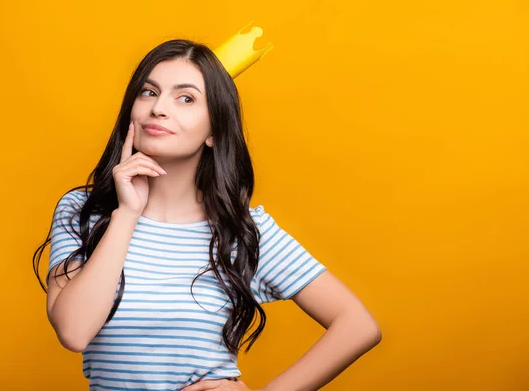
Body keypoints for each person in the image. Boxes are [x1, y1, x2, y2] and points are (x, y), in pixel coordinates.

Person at [33, 38, 382, 391]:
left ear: (214, 131)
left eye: (186, 98)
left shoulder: (242, 230)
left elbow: (357, 325)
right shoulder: (82, 211)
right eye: (149, 93)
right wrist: (127, 213)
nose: (159, 109)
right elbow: (74, 332)